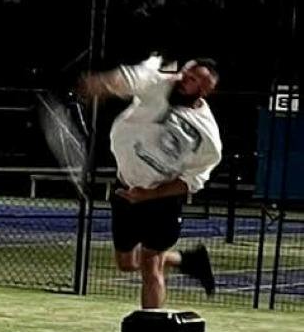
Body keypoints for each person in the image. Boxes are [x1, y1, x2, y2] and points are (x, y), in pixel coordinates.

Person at [78, 54, 222, 306]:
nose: (184, 80)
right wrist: (102, 83)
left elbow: (192, 181)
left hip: (162, 200)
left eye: (193, 80)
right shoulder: (160, 84)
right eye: (186, 73)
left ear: (205, 90)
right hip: (126, 187)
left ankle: (151, 326)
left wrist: (150, 194)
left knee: (150, 264)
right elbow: (131, 78)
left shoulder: (207, 137)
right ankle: (188, 261)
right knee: (126, 264)